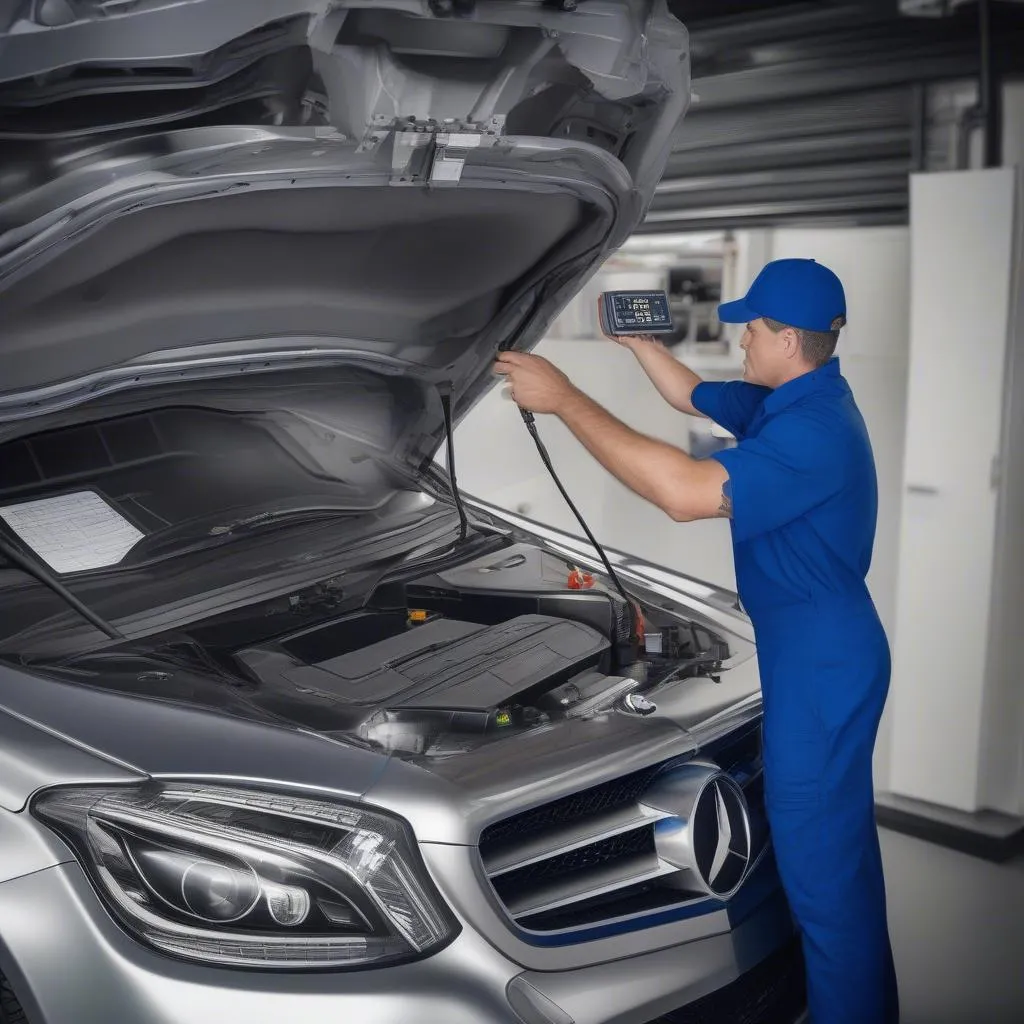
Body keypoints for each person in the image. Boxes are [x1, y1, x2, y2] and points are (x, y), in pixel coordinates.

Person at [494, 258, 899, 1024]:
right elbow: (691, 393)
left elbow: (682, 494)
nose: (740, 337)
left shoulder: (811, 433)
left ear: (786, 339)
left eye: (753, 328)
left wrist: (566, 399)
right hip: (817, 647)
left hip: (821, 665)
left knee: (826, 886)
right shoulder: (795, 397)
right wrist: (637, 344)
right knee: (832, 865)